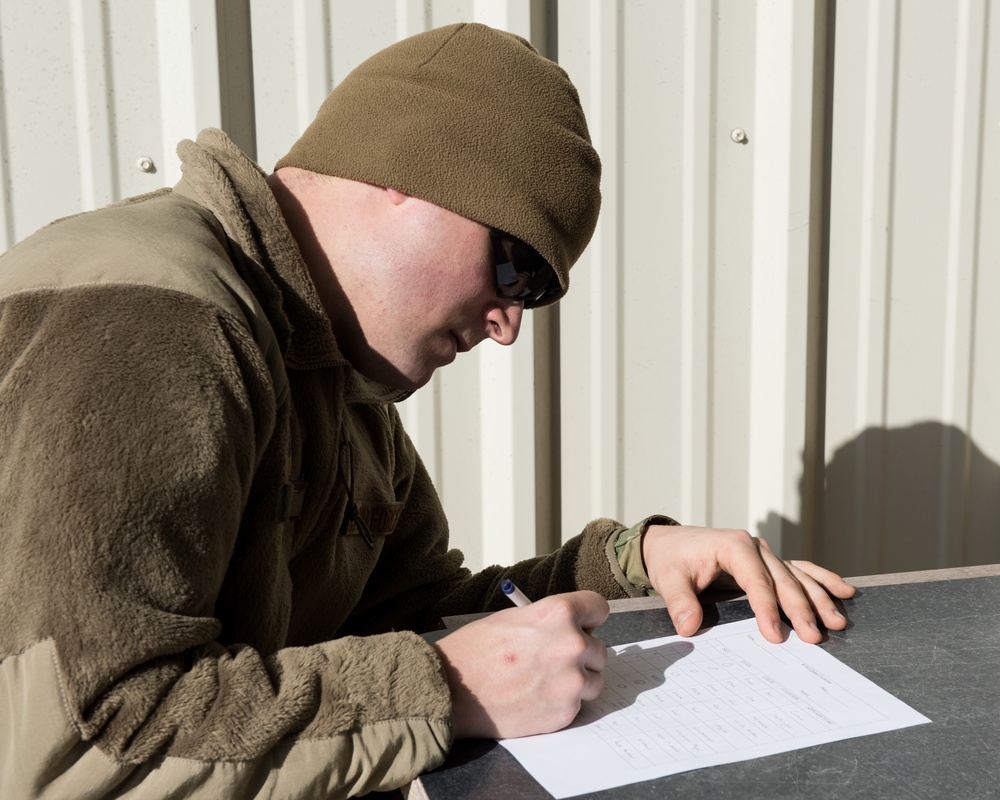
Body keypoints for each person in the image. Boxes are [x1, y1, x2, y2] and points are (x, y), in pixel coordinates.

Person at [0, 22, 854, 799]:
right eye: (515, 266)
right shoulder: (156, 321)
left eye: (537, 293)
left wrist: (629, 567)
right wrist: (445, 690)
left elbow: (411, 617)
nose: (509, 324)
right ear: (404, 175)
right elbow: (89, 747)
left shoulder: (335, 381)